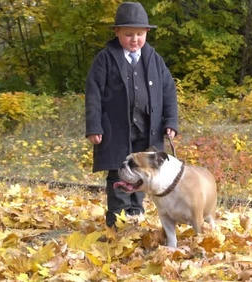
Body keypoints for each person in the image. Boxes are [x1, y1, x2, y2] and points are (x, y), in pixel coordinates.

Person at [85, 2, 178, 227]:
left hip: (147, 128)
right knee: (119, 171)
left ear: (146, 32)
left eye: (139, 34)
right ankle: (116, 218)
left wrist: (171, 121)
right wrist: (94, 126)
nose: (134, 39)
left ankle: (135, 213)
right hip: (115, 129)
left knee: (143, 171)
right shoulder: (105, 59)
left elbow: (168, 90)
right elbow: (93, 93)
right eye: (128, 34)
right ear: (117, 32)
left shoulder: (154, 59)